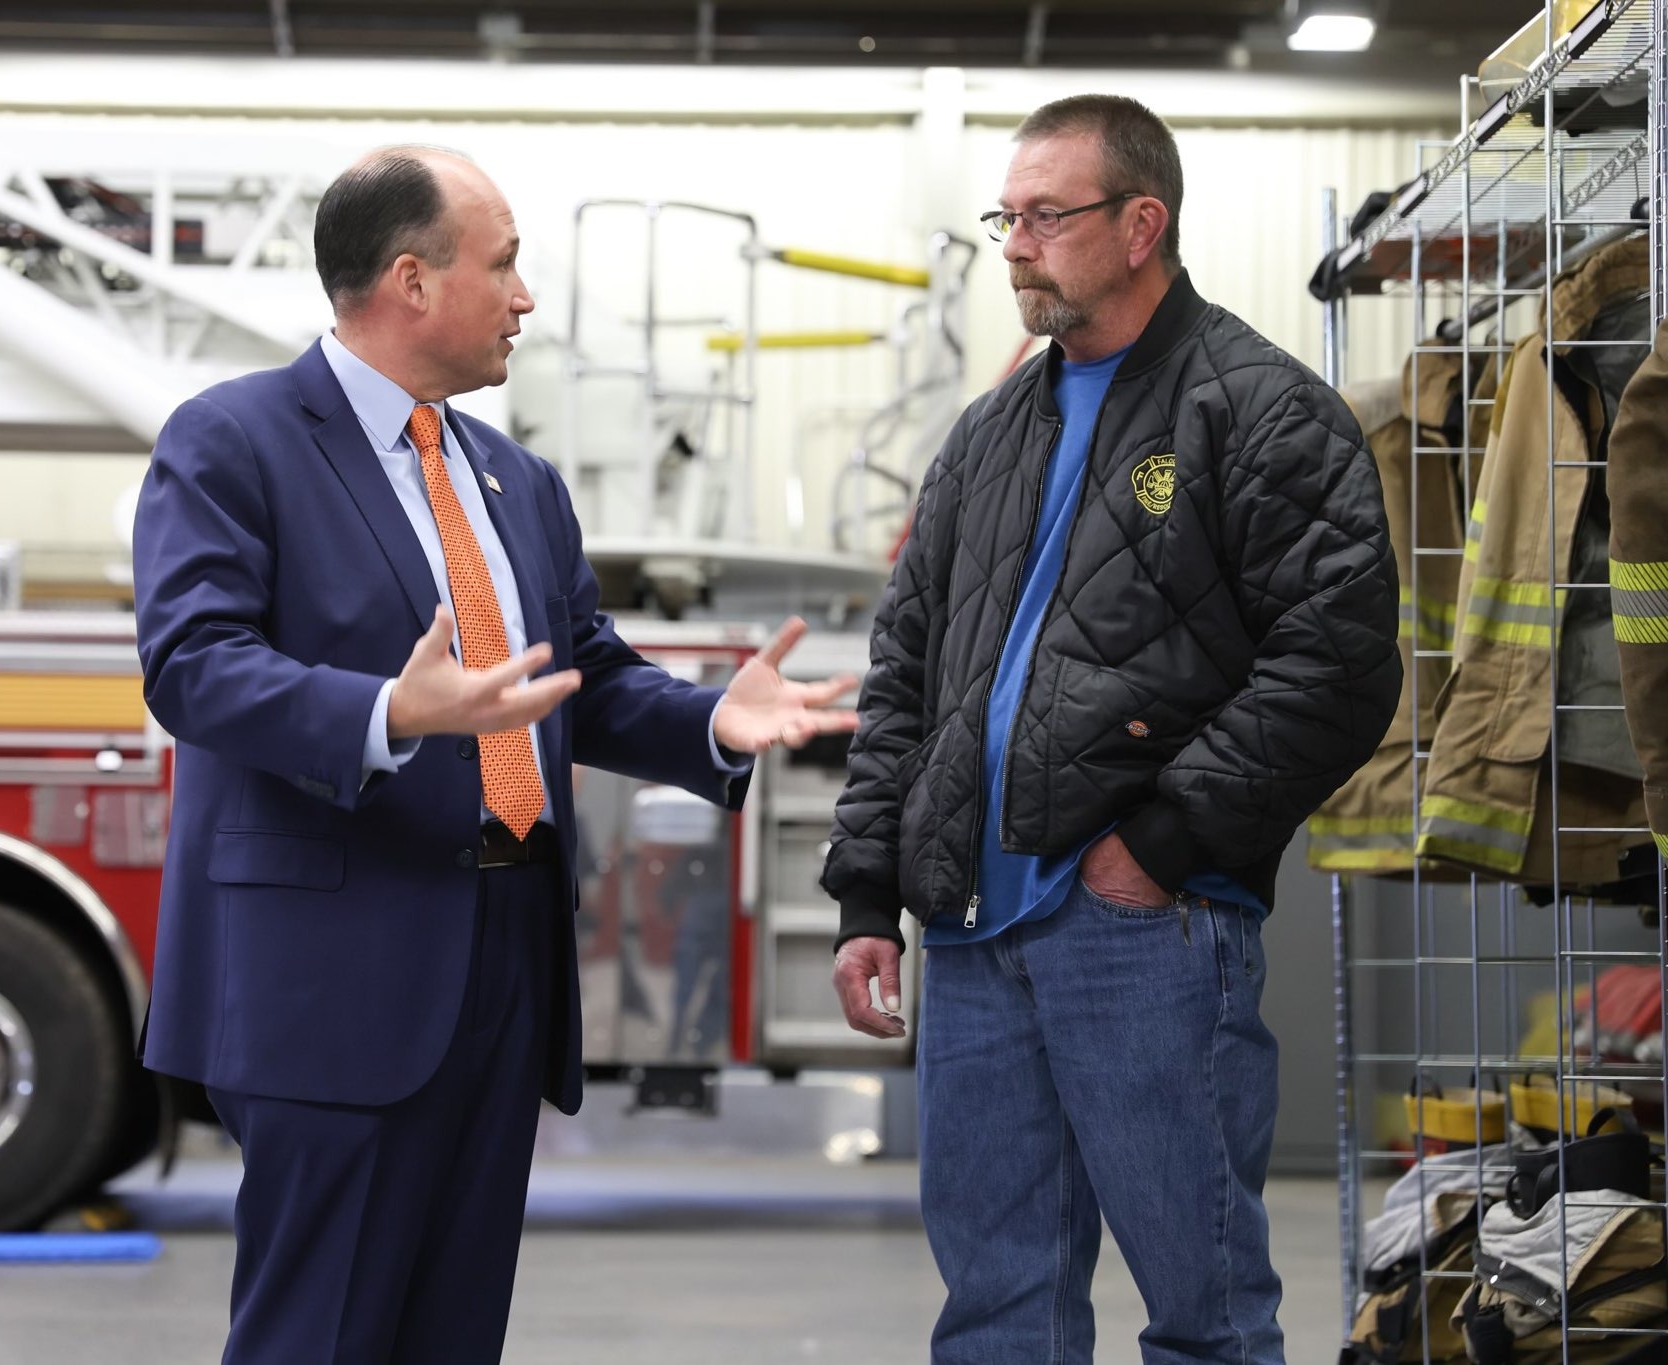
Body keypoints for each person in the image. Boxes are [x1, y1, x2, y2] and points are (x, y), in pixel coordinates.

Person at [133, 145, 857, 1365]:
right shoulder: (231, 440)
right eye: (506, 263)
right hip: (330, 979)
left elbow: (583, 674)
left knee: (452, 1333)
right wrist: (388, 714)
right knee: (320, 1335)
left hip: (502, 962)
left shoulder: (513, 480)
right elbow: (192, 666)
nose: (525, 298)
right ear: (411, 282)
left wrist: (708, 724)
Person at [822, 95, 1399, 1364]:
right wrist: (870, 889)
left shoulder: (1261, 411)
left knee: (1202, 1312)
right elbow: (903, 676)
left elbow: (1340, 667)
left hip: (1141, 928)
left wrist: (1165, 840)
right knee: (994, 1313)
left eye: (1044, 216)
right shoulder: (985, 435)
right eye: (1005, 218)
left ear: (1141, 225)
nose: (1015, 245)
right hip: (972, 929)